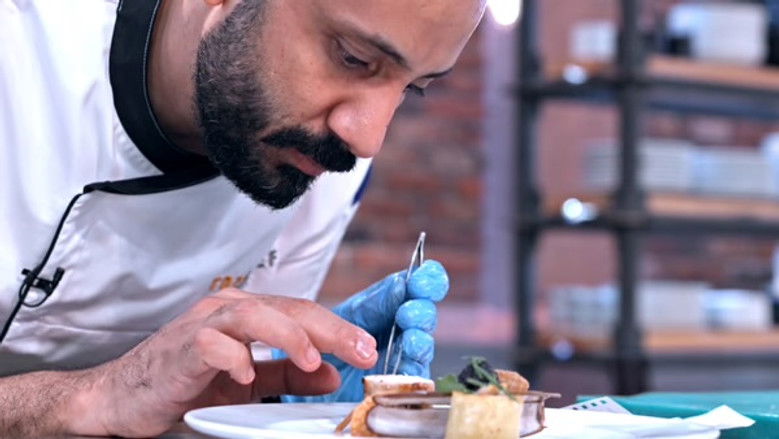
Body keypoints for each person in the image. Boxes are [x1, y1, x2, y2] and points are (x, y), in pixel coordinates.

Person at [0, 0, 485, 436]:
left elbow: (205, 408)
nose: (367, 140)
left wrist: (280, 405)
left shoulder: (319, 170)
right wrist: (91, 398)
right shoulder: (17, 51)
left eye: (412, 89)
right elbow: (114, 400)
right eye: (352, 58)